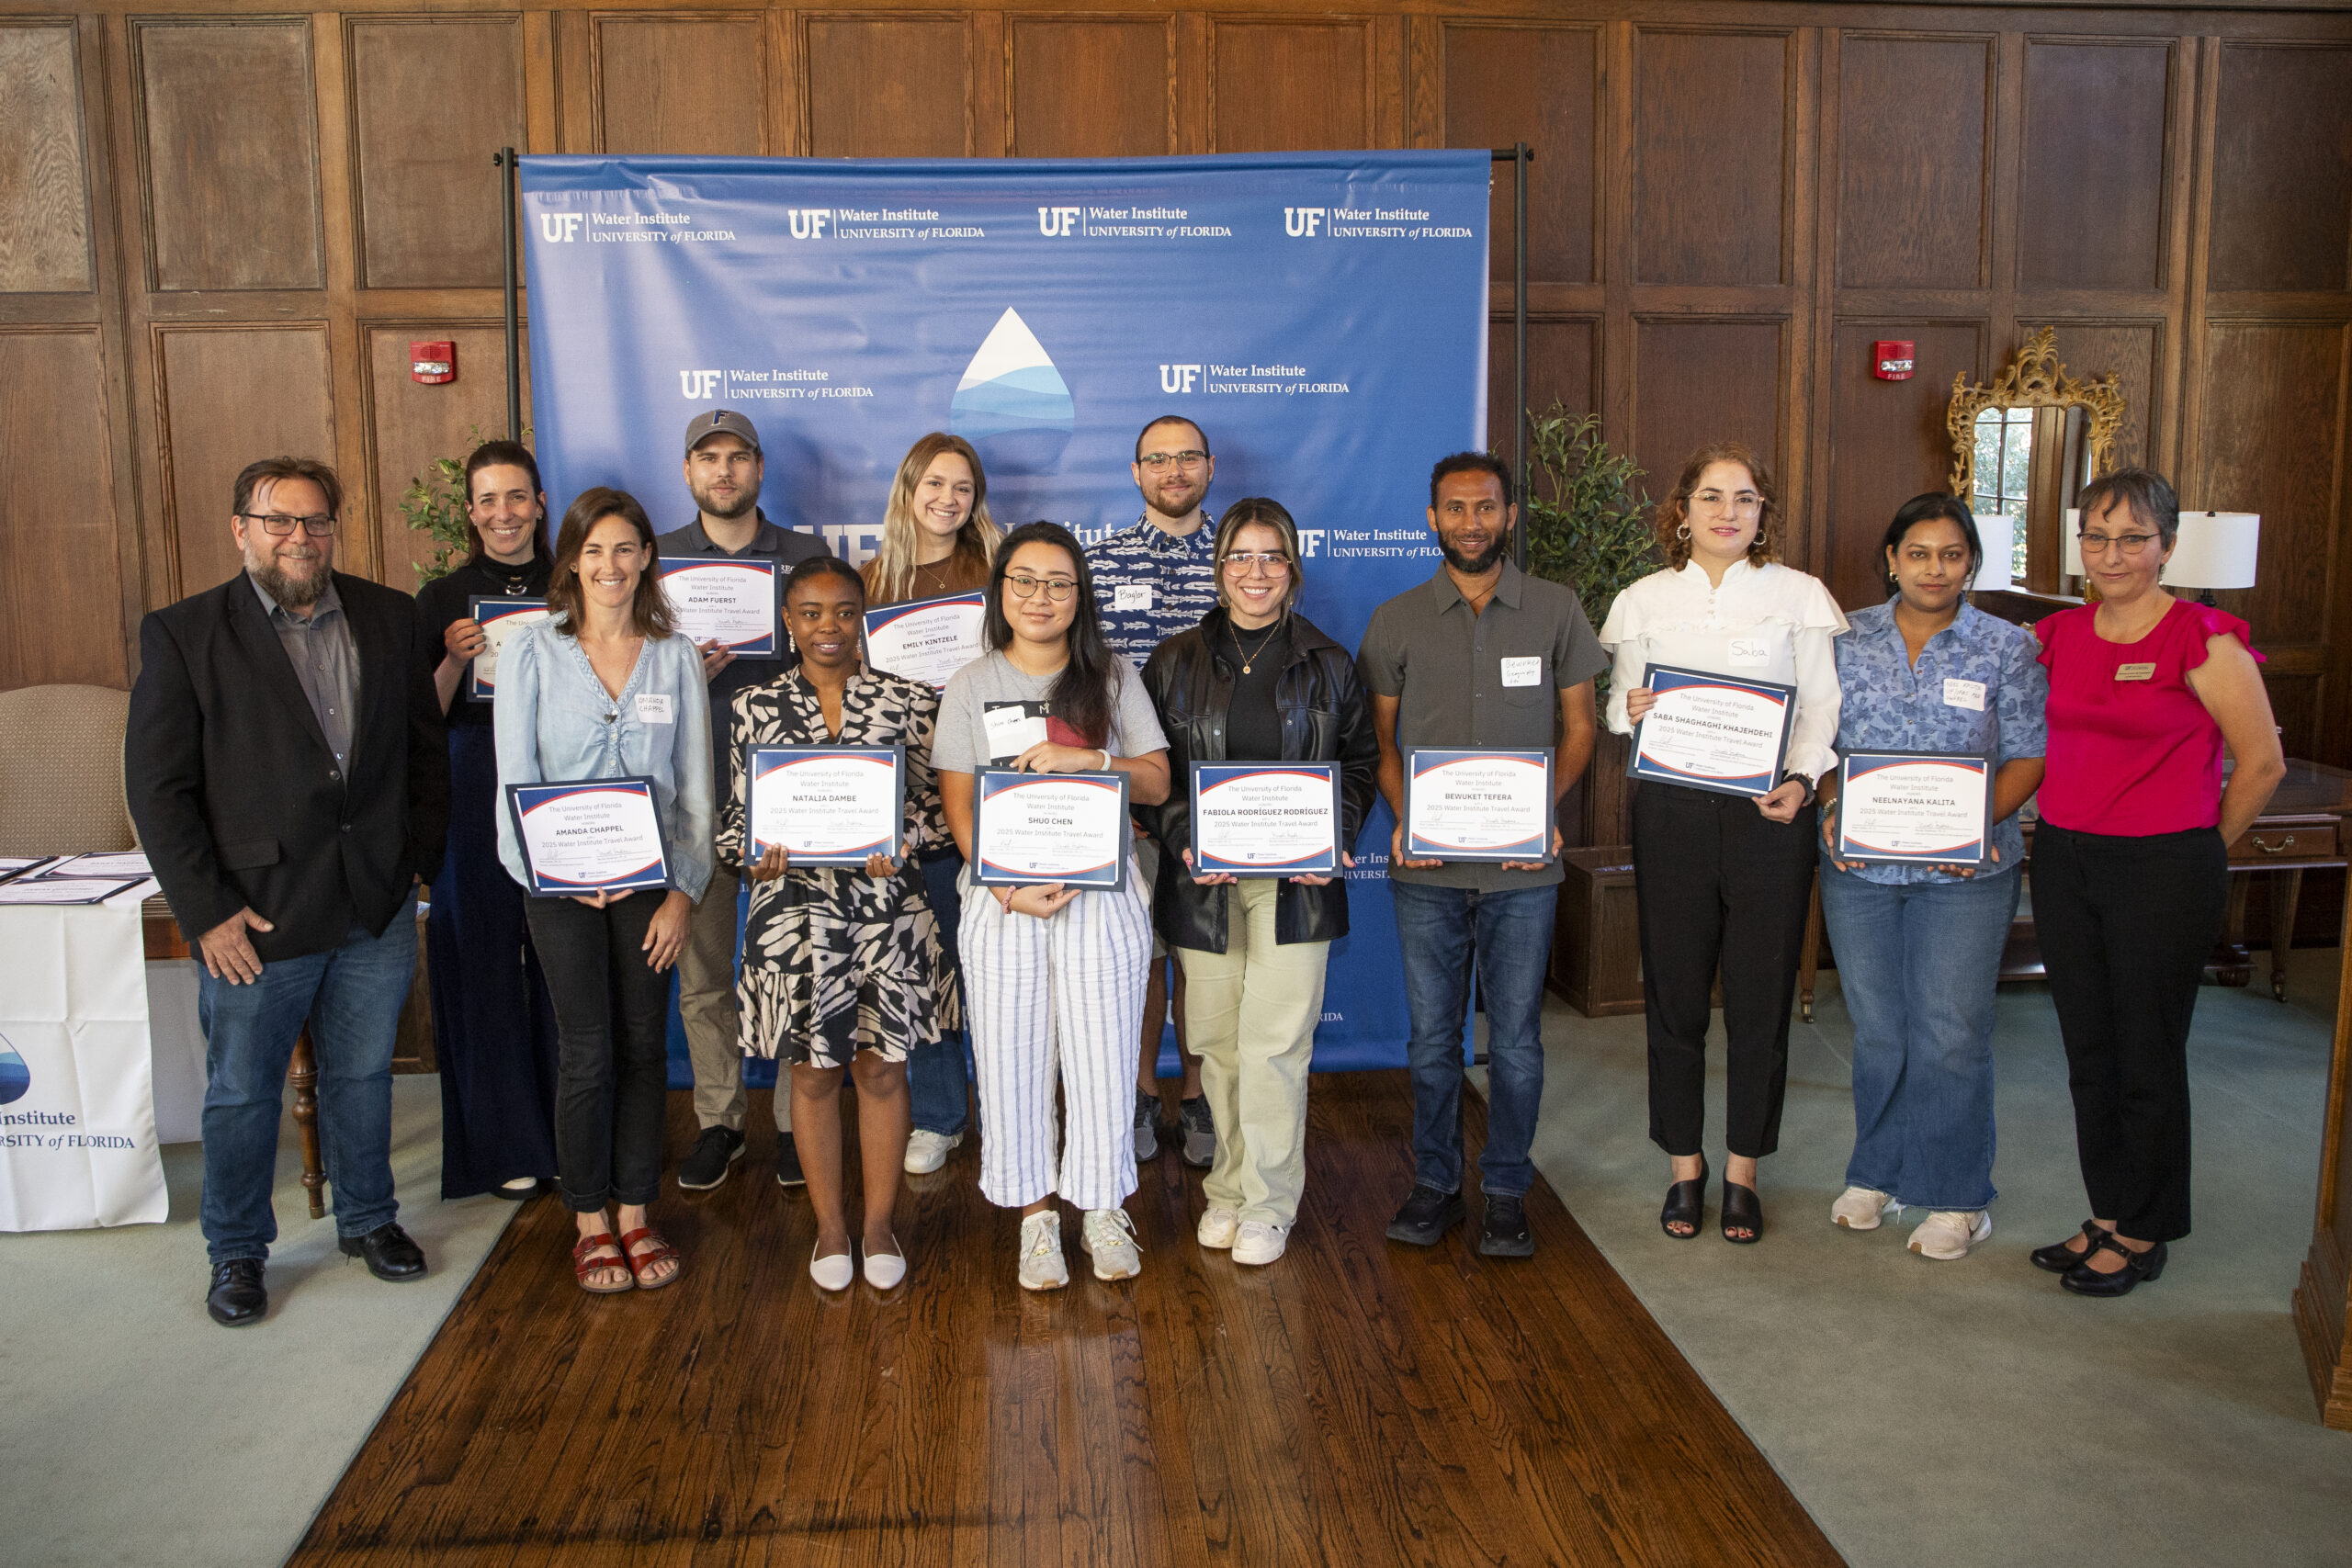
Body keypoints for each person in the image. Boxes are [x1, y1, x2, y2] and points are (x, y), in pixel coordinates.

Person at [127, 456, 448, 1326]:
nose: (299, 537)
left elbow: (424, 753)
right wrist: (207, 912)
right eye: (279, 520)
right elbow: (158, 789)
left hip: (374, 904)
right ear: (242, 529)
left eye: (315, 521)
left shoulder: (388, 616)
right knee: (241, 1091)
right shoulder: (184, 633)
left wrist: (416, 861)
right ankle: (237, 1249)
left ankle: (368, 1219)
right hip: (254, 916)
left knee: (362, 1076)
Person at [2027, 468, 2282, 1296]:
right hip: (2065, 859)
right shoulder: (2059, 635)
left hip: (2163, 867)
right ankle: (2107, 1209)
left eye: (2133, 538)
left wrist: (2198, 845)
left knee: (2147, 1049)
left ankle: (2145, 1227)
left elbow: (2264, 763)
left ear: (2167, 545)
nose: (2112, 554)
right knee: (2088, 1048)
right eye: (2097, 537)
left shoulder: (2204, 639)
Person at [1358, 452, 1603, 1258]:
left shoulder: (1557, 609)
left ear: (1510, 515)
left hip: (1523, 873)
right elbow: (1379, 742)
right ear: (1433, 518)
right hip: (1426, 871)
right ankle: (1436, 1184)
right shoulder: (1395, 618)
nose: (1472, 523)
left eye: (1487, 507)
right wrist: (1407, 815)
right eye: (1456, 509)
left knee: (1518, 1043)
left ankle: (1505, 1190)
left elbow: (1580, 730)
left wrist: (1541, 810)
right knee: (1433, 1042)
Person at [1600, 442, 1847, 1245]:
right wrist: (1632, 709)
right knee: (1674, 993)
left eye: (1744, 498)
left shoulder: (1799, 595)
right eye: (1711, 496)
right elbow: (1617, 709)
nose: (1727, 512)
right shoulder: (1642, 599)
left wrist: (1802, 780)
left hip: (1769, 814)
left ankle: (1744, 1169)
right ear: (1683, 509)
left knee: (1759, 995)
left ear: (1762, 512)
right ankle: (1685, 1163)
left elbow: (1820, 705)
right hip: (1671, 812)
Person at [1141, 499, 1379, 1266]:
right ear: (1218, 570)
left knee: (1275, 1046)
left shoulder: (1330, 662)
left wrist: (1333, 835)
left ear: (1292, 569)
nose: (1256, 571)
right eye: (1239, 556)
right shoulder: (1172, 661)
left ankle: (1269, 1204)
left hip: (1297, 885)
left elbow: (1360, 765)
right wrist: (1186, 838)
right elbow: (1152, 776)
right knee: (1217, 1044)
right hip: (1204, 884)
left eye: (1271, 556)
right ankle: (1228, 1191)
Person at [934, 522, 1172, 1291]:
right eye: (1025, 580)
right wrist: (1005, 886)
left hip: (1100, 894)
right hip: (1003, 899)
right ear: (1000, 590)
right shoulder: (970, 682)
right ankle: (1035, 1219)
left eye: (1059, 583)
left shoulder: (1112, 675)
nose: (1041, 596)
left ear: (1080, 595)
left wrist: (1091, 758)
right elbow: (958, 806)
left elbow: (1158, 780)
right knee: (1010, 1058)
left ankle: (1102, 1209)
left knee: (1105, 1057)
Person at [1816, 494, 2046, 1260]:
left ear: (1971, 563)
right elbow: (1817, 742)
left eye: (1951, 554)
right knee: (1880, 1028)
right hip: (1861, 868)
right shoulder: (1843, 638)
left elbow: (2029, 756)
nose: (1934, 569)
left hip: (1966, 871)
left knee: (1950, 1031)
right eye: (1918, 553)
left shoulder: (2008, 647)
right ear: (1892, 559)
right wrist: (1831, 806)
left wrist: (1970, 825)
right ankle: (1877, 1173)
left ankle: (1957, 1195)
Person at [495, 488, 711, 1294]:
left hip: (652, 888)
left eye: (625, 548)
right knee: (586, 1049)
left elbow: (696, 790)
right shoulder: (530, 650)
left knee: (644, 1046)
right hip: (558, 890)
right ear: (572, 562)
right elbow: (513, 780)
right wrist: (555, 872)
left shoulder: (675, 656)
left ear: (647, 557)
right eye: (593, 551)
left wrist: (683, 892)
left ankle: (635, 1211)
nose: (610, 565)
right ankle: (589, 1220)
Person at [723, 557, 955, 1290]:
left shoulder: (909, 700)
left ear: (864, 619)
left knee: (882, 1068)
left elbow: (939, 811)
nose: (829, 626)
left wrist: (902, 839)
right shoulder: (753, 705)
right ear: (788, 621)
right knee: (814, 1070)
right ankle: (830, 1228)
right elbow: (736, 819)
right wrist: (753, 854)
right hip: (793, 914)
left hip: (886, 911)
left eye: (845, 611)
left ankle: (879, 1223)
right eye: (812, 612)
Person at [655, 409, 831, 1194]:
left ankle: (798, 1124)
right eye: (708, 457)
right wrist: (674, 671)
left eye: (737, 457)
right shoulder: (655, 561)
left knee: (796, 966)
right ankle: (719, 1120)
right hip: (693, 799)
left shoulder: (805, 557)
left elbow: (838, 663)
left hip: (789, 803)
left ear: (759, 468)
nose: (723, 471)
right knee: (703, 975)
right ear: (688, 470)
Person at [412, 440, 560, 1201]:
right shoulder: (442, 598)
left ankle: (568, 1133)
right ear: (471, 513)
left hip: (564, 780)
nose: (505, 513)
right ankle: (503, 1143)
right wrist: (450, 661)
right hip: (471, 783)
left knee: (564, 960)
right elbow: (419, 720)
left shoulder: (576, 583)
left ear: (540, 503)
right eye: (489, 500)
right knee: (483, 961)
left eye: (517, 496)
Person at [860, 432, 1001, 1177]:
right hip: (909, 799)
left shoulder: (998, 572)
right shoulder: (872, 580)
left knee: (1000, 966)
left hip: (991, 788)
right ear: (908, 488)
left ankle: (1012, 1112)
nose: (948, 499)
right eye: (935, 484)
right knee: (925, 960)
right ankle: (941, 1113)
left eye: (963, 487)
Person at [1087, 413, 1218, 1168]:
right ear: (1136, 472)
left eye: (1187, 457)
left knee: (1201, 957)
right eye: (1158, 459)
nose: (1174, 471)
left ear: (1209, 466)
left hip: (1214, 803)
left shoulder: (1240, 560)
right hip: (1128, 800)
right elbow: (1079, 682)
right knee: (1139, 959)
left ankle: (1197, 1094)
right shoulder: (1098, 563)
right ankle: (1139, 1091)